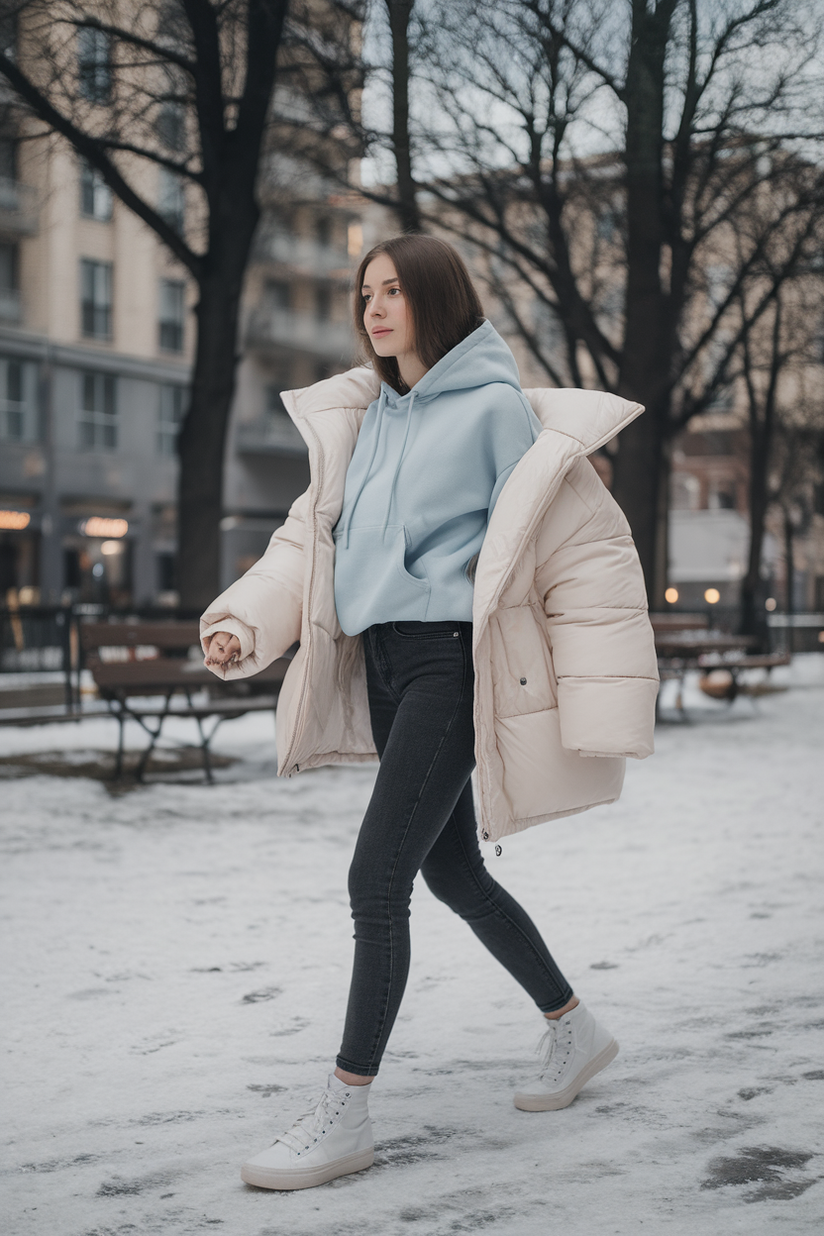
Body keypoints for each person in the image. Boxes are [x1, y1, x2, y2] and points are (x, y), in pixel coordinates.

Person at [201, 234, 658, 1191]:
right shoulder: (370, 416)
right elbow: (308, 539)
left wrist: (605, 697)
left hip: (454, 665)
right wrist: (245, 620)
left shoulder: (493, 409)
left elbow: (584, 552)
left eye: (395, 291)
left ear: (436, 299)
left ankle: (346, 1106)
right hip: (386, 665)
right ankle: (573, 1029)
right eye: (364, 291)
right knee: (448, 870)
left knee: (377, 877)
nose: (374, 308)